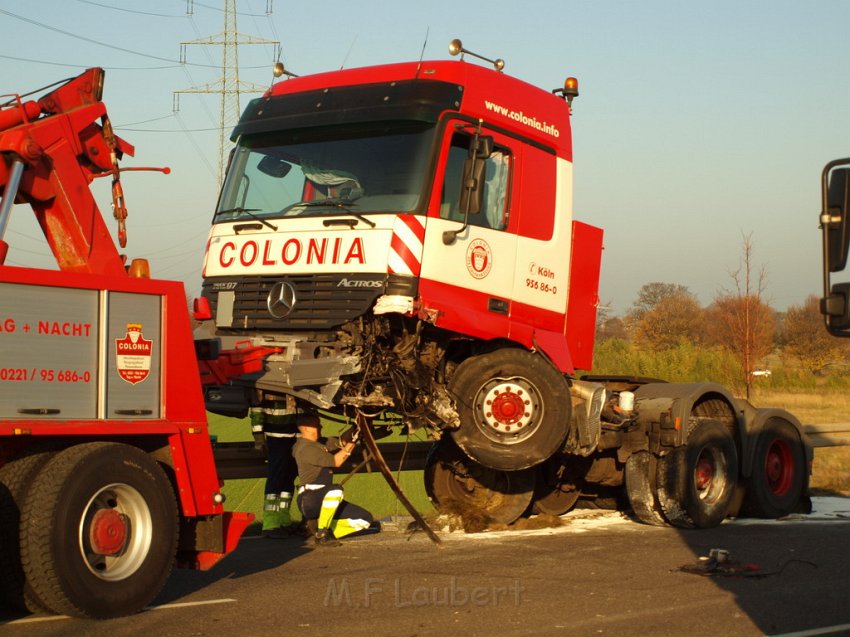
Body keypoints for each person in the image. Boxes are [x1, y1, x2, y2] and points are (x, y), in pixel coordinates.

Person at [292, 413, 376, 546]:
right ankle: (323, 533)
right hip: (309, 500)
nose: (321, 426)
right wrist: (353, 442)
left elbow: (341, 441)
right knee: (336, 490)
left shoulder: (318, 443)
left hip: (323, 498)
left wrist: (358, 427)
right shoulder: (305, 448)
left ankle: (322, 528)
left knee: (365, 519)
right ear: (306, 428)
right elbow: (336, 461)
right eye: (317, 425)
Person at [250, 397, 299, 538]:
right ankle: (270, 525)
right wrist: (259, 438)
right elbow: (256, 409)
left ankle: (284, 521)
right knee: (276, 478)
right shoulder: (268, 383)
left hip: (295, 436)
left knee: (289, 478)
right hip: (276, 438)